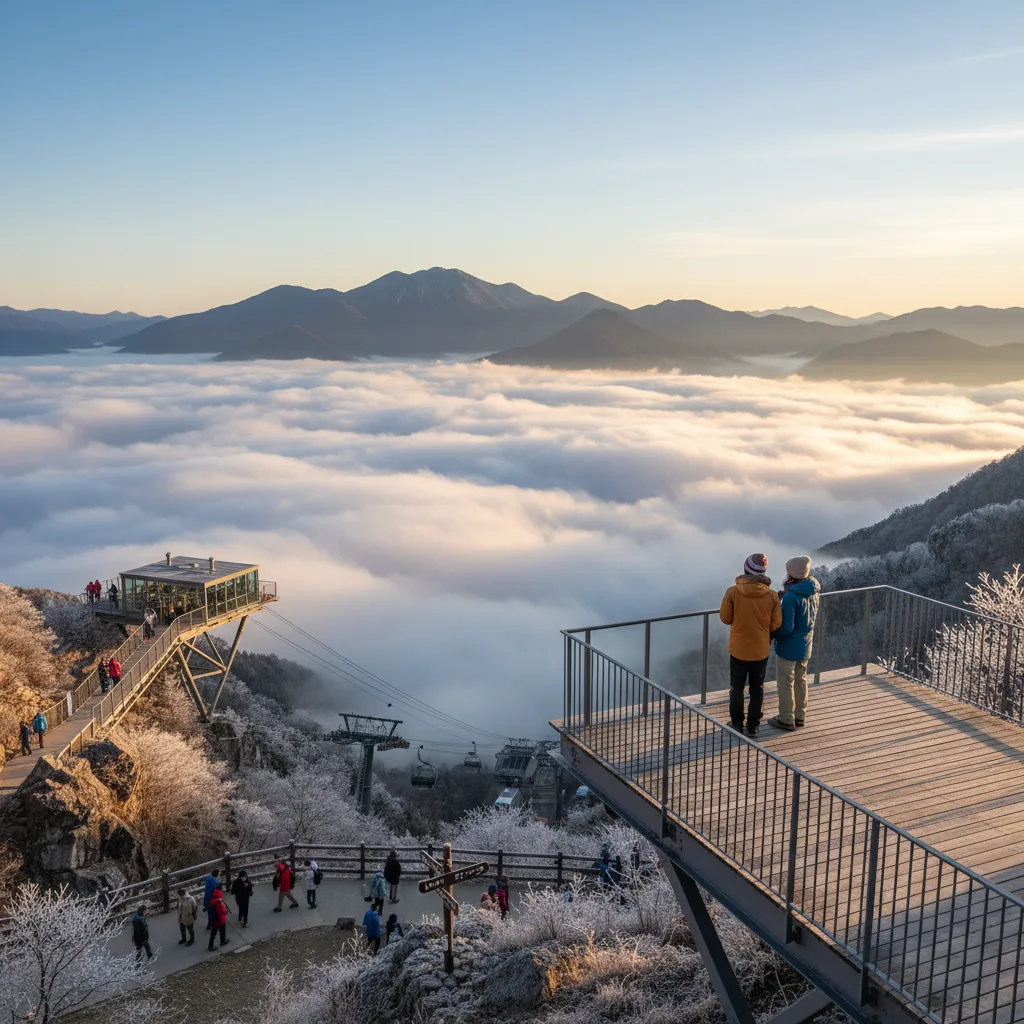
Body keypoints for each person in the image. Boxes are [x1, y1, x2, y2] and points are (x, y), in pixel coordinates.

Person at [720, 553, 783, 738]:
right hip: (760, 648)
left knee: (737, 687)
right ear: (763, 572)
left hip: (739, 648)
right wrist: (763, 631)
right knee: (757, 688)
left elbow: (725, 618)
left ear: (746, 569)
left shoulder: (732, 592)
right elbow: (776, 623)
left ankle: (737, 724)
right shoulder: (771, 595)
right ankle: (753, 726)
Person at [767, 556, 821, 732]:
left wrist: (774, 634)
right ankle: (800, 716)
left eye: (788, 569)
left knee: (785, 683)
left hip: (789, 646)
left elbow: (787, 627)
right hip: (806, 644)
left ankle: (786, 719)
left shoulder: (792, 596)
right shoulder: (814, 589)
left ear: (792, 573)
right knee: (801, 680)